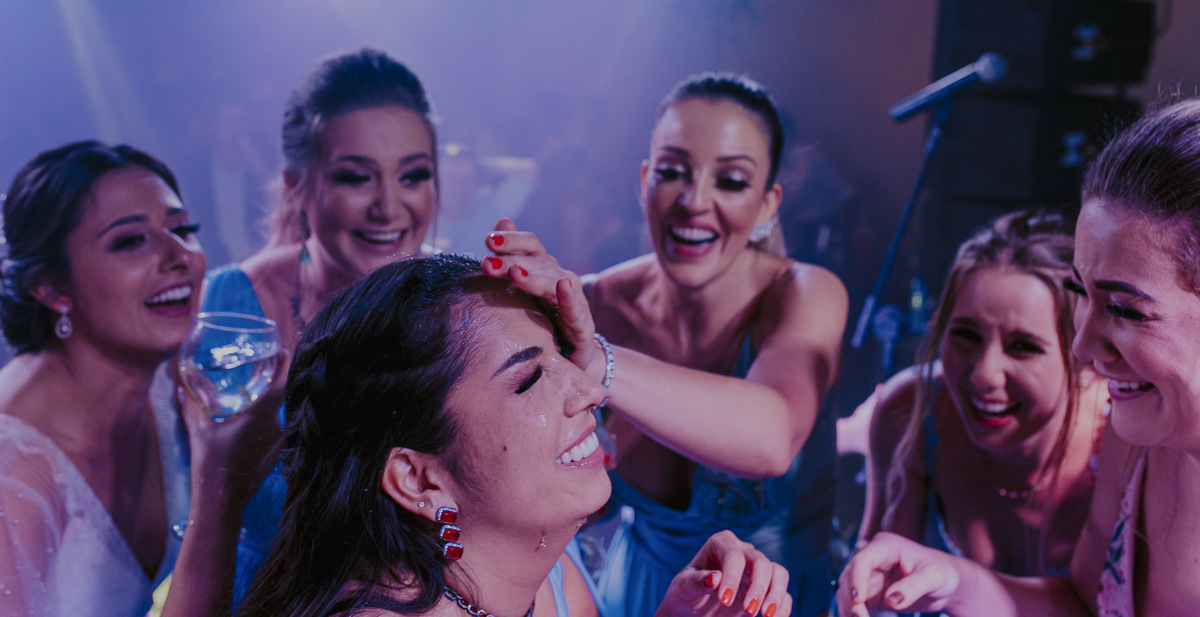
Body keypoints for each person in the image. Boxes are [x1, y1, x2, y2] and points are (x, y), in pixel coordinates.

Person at [236, 253, 794, 617]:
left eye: (564, 356)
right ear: (417, 478)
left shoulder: (550, 581)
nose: (590, 392)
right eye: (529, 379)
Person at [483, 73, 848, 617]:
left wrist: (596, 360)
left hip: (779, 601)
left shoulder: (805, 292)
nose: (694, 201)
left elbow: (773, 438)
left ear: (769, 204)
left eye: (731, 181)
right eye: (673, 173)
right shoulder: (591, 301)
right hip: (632, 597)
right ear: (644, 180)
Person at [838, 99, 1200, 616]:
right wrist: (953, 581)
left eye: (1125, 309)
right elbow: (1081, 603)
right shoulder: (1139, 432)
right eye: (1082, 295)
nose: (1082, 348)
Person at [0, 141, 283, 616]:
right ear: (50, 288)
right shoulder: (14, 482)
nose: (181, 257)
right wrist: (219, 490)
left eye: (183, 229)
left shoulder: (167, 375)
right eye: (131, 241)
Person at [202, 47, 441, 600]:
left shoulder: (462, 310)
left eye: (412, 176)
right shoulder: (232, 308)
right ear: (297, 185)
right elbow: (200, 502)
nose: (388, 207)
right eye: (357, 178)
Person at [858, 211, 1107, 584]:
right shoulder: (911, 409)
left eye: (1023, 347)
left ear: (1082, 357)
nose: (982, 374)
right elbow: (880, 579)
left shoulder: (1121, 436)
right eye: (966, 335)